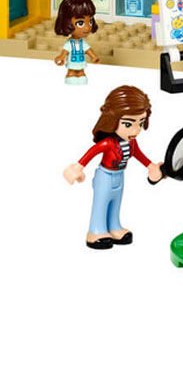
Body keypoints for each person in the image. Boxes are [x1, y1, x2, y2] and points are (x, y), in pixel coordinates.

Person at [63, 86, 163, 249]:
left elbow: (139, 155)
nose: (136, 130)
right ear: (113, 120)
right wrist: (78, 167)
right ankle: (96, 231)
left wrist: (151, 166)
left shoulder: (131, 142)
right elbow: (92, 152)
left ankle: (114, 227)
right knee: (101, 204)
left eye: (141, 123)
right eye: (128, 124)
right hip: (105, 176)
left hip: (120, 176)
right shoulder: (108, 143)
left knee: (116, 203)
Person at [53, 0, 100, 85]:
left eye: (90, 21)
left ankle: (80, 75)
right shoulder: (69, 43)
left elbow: (88, 50)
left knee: (82, 76)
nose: (87, 27)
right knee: (71, 76)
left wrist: (94, 57)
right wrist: (61, 58)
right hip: (72, 66)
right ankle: (71, 76)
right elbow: (65, 52)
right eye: (80, 23)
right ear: (67, 22)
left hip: (81, 65)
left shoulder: (83, 43)